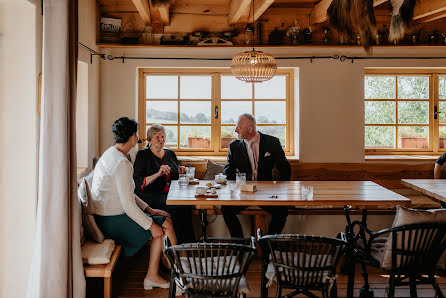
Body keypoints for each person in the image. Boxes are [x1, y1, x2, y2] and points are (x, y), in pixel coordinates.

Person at [91, 117, 177, 290]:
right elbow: (129, 206)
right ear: (131, 137)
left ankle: (166, 269)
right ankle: (172, 272)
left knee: (164, 220)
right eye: (136, 133)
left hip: (105, 215)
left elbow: (127, 193)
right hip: (112, 220)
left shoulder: (111, 153)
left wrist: (150, 209)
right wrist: (150, 225)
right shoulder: (122, 163)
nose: (137, 137)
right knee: (161, 227)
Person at [222, 113, 291, 238]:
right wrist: (231, 188)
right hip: (244, 193)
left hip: (267, 193)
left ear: (250, 129)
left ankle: (267, 246)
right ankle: (241, 247)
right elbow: (228, 170)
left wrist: (282, 188)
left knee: (282, 211)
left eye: (238, 127)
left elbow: (284, 167)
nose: (235, 130)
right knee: (225, 209)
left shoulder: (272, 142)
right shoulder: (234, 146)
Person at [133, 124, 195, 244]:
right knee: (177, 208)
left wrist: (180, 170)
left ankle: (189, 245)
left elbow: (175, 174)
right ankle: (178, 247)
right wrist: (158, 174)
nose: (161, 140)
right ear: (149, 140)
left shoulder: (170, 153)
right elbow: (138, 182)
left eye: (163, 136)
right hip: (151, 195)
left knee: (186, 206)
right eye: (157, 137)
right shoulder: (143, 155)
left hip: (172, 194)